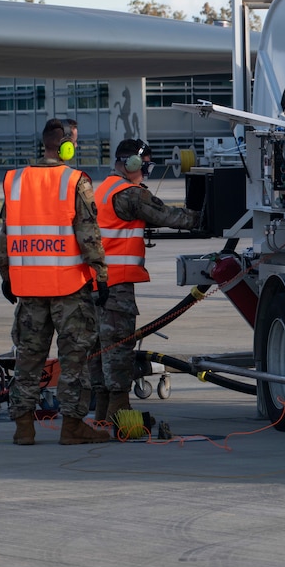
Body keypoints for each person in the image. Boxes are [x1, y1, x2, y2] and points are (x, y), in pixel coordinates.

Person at [0, 118, 111, 446]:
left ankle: (23, 427)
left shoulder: (17, 181)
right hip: (68, 288)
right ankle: (72, 427)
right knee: (74, 359)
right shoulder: (74, 181)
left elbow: (6, 238)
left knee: (28, 359)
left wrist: (7, 276)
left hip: (29, 289)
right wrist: (101, 276)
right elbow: (89, 236)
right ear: (66, 146)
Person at [89, 138, 201, 421]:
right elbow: (170, 216)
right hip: (116, 286)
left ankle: (102, 415)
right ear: (133, 164)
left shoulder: (104, 189)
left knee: (98, 350)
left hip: (93, 285)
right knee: (118, 348)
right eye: (145, 167)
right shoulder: (131, 194)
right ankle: (119, 411)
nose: (147, 173)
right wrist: (204, 216)